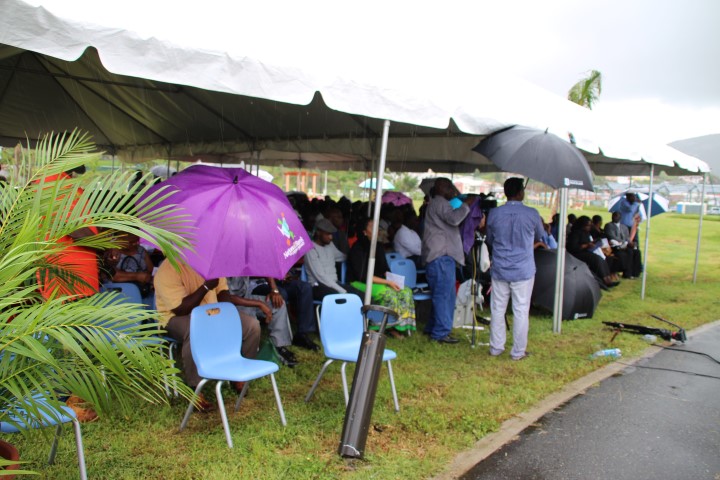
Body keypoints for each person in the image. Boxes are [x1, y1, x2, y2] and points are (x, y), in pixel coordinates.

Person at [154, 261, 261, 405]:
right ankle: (195, 388)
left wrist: (224, 312)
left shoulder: (211, 262)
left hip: (211, 312)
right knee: (195, 330)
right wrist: (205, 287)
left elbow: (223, 291)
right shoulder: (167, 270)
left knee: (252, 326)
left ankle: (240, 373)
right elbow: (180, 309)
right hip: (175, 318)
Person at [486, 177, 544, 361]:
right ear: (521, 192)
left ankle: (496, 347)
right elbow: (541, 236)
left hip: (500, 267)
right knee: (520, 310)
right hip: (523, 269)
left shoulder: (494, 213)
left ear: (506, 193)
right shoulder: (532, 213)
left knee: (497, 309)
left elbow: (489, 239)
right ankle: (518, 351)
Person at [421, 178, 471, 344]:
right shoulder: (440, 203)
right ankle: (440, 333)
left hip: (438, 257)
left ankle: (433, 327)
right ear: (441, 188)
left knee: (441, 294)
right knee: (444, 296)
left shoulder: (436, 203)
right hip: (441, 257)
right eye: (450, 187)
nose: (453, 191)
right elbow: (454, 219)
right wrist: (466, 205)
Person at [347, 217, 416, 337]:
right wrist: (388, 283)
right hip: (359, 282)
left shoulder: (378, 247)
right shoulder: (357, 248)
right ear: (364, 232)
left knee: (406, 291)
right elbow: (363, 276)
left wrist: (393, 280)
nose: (377, 229)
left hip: (378, 281)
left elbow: (384, 269)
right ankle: (383, 327)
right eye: (372, 227)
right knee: (388, 294)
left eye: (377, 227)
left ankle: (401, 326)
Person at [226, 276, 299, 367]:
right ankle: (250, 357)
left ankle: (277, 347)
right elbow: (227, 297)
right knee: (252, 323)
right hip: (231, 305)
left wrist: (274, 290)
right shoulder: (221, 270)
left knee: (278, 304)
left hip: (247, 296)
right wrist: (259, 304)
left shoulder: (243, 266)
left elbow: (265, 270)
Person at [304, 218, 360, 299]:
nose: (331, 237)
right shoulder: (311, 249)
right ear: (318, 232)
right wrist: (342, 291)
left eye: (331, 234)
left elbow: (341, 257)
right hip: (319, 286)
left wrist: (355, 255)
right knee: (343, 298)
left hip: (335, 284)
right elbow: (321, 277)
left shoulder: (330, 245)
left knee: (359, 294)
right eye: (328, 234)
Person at [566, 216, 619, 288]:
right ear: (582, 225)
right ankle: (605, 280)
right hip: (577, 254)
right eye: (588, 225)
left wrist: (594, 242)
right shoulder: (575, 234)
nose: (589, 227)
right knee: (596, 259)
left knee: (601, 259)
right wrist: (586, 245)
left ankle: (608, 278)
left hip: (586, 252)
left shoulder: (586, 233)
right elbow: (573, 247)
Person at [604, 211, 642, 278]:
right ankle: (627, 273)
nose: (615, 217)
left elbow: (627, 237)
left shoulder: (624, 227)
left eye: (617, 216)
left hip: (625, 245)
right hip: (615, 246)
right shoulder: (609, 225)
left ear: (620, 217)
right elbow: (612, 236)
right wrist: (624, 243)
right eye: (614, 216)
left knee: (637, 252)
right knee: (629, 252)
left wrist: (630, 243)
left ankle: (636, 273)